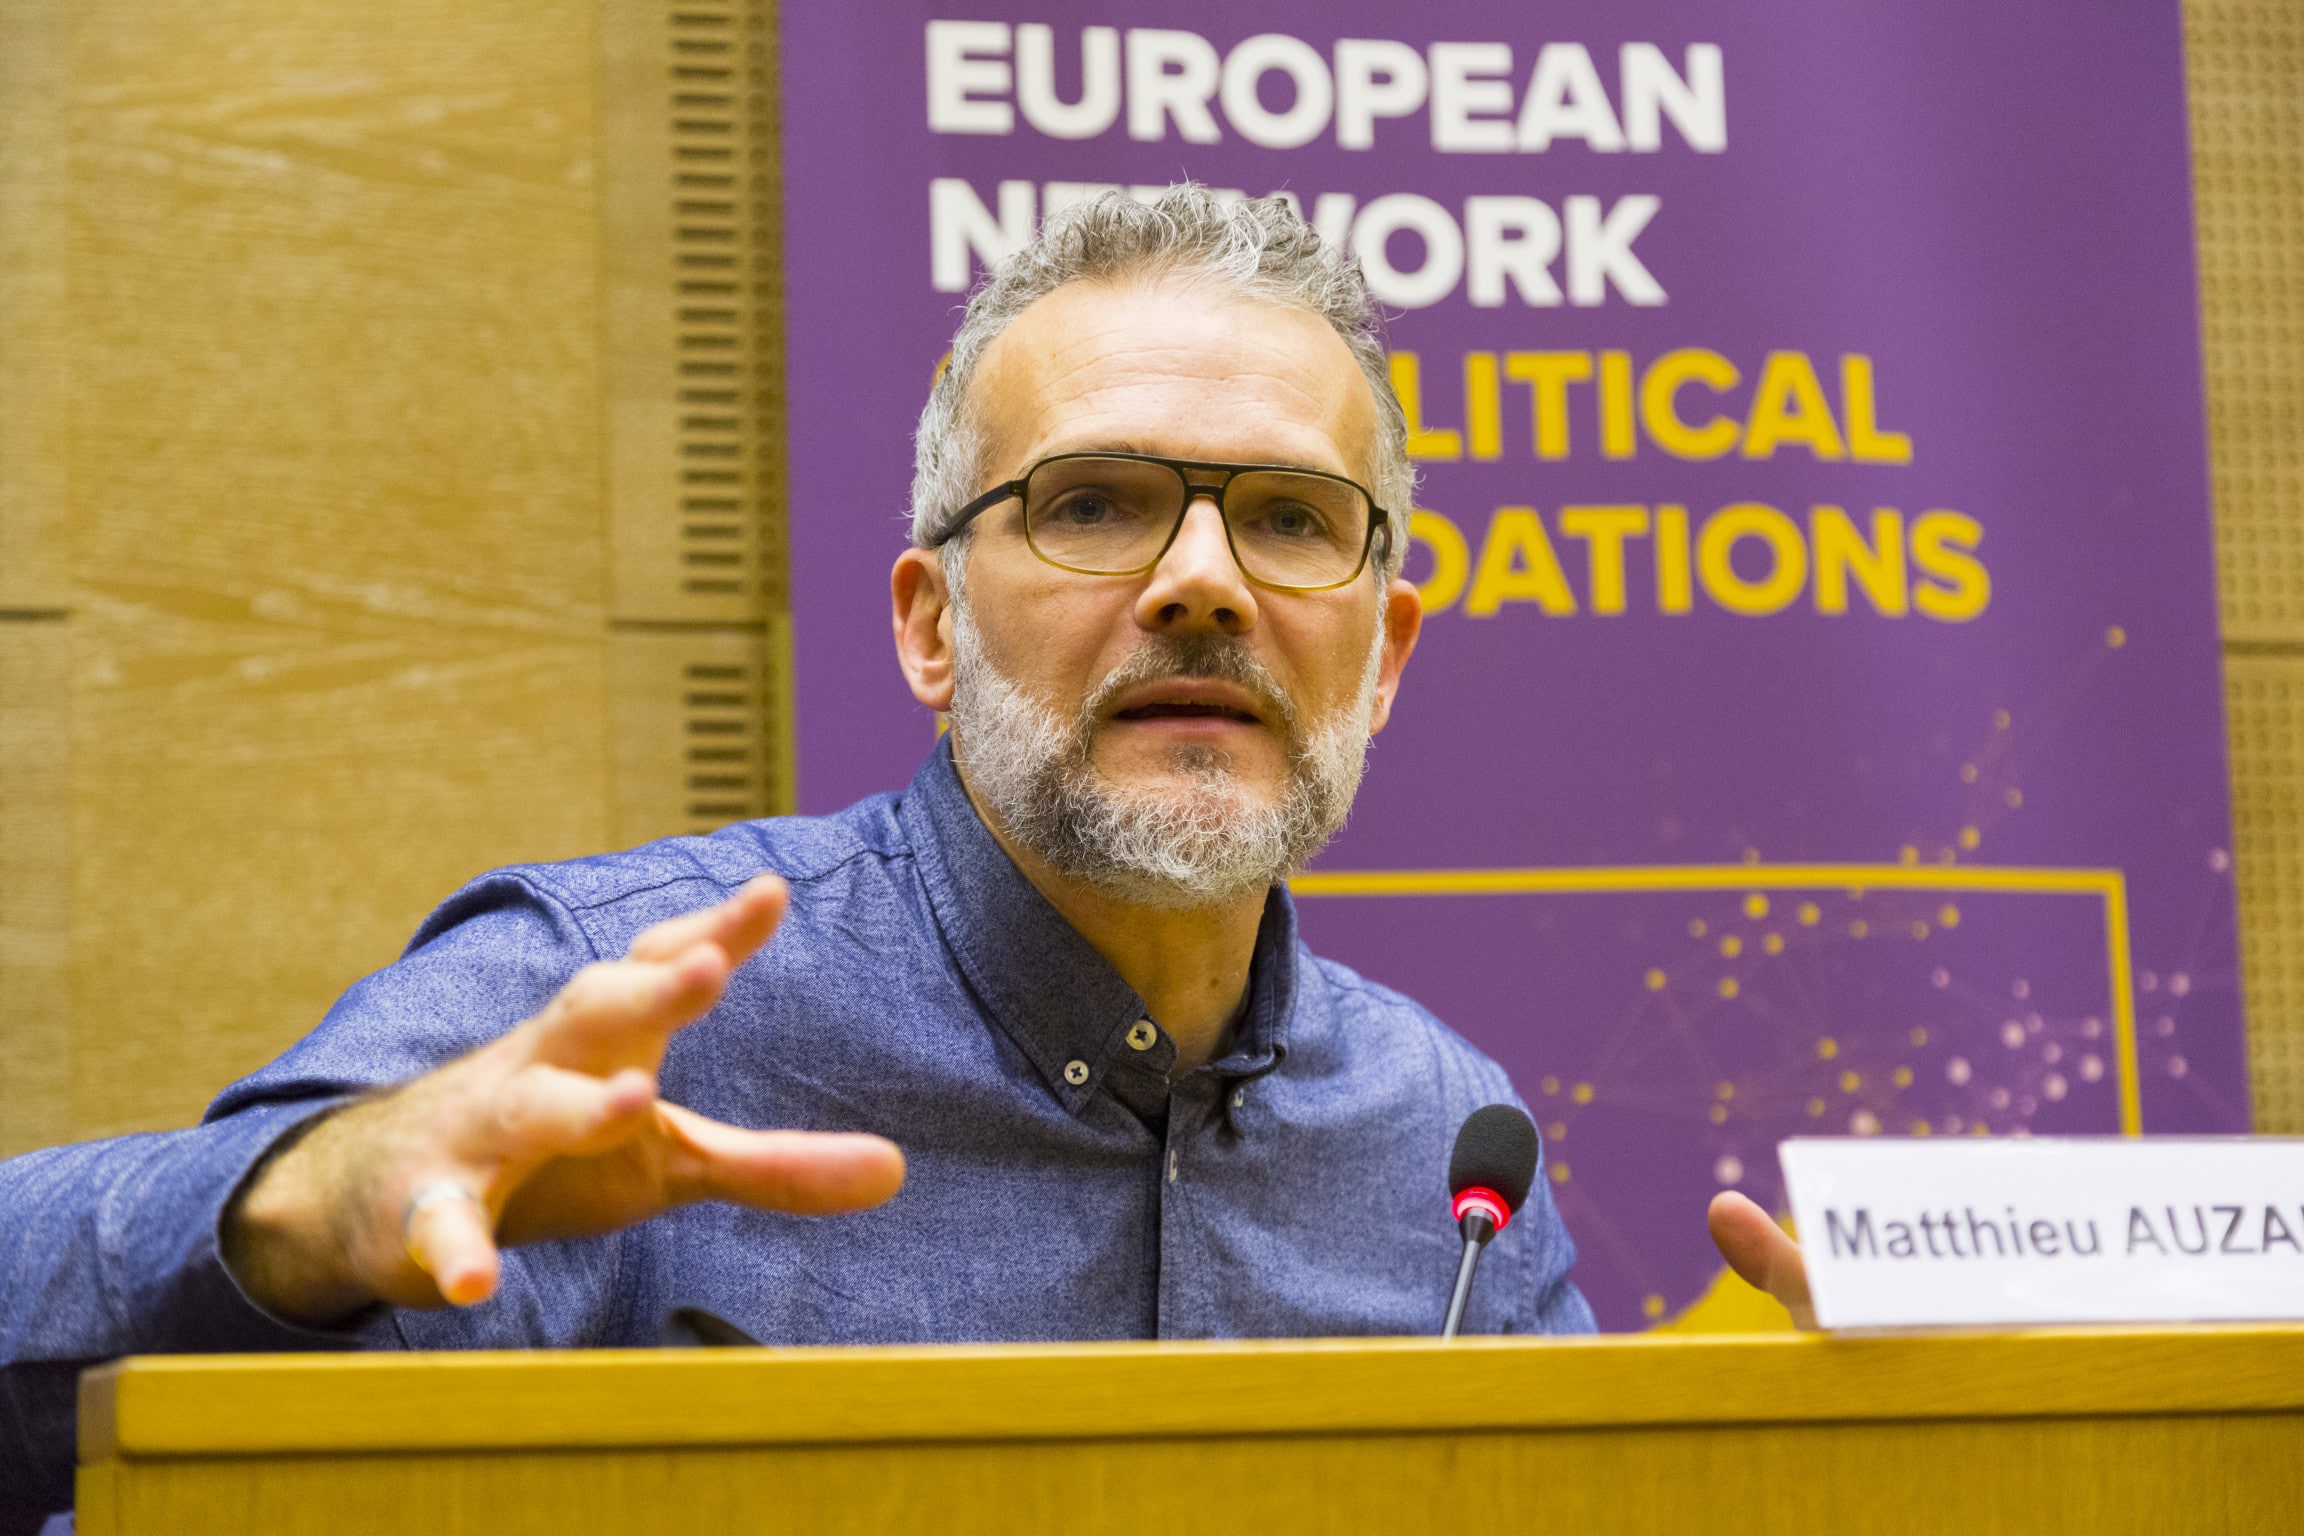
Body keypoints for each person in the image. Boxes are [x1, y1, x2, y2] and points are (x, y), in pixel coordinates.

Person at [0, 187, 1809, 1525]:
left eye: (1288, 518)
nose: (1201, 581)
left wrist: (1811, 1445)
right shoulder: (628, 1003)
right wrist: (309, 1204)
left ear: (1385, 654)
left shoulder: (1447, 1138)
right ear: (932, 627)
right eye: (1093, 504)